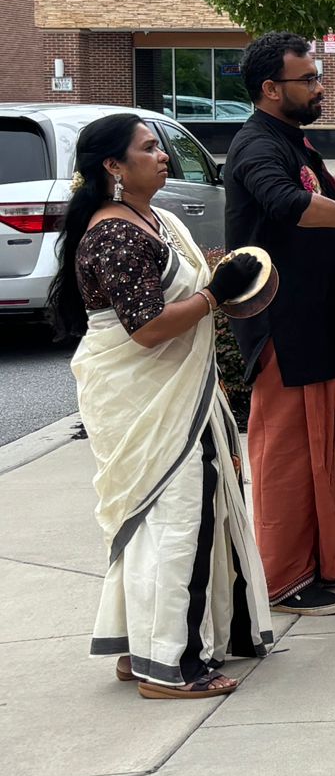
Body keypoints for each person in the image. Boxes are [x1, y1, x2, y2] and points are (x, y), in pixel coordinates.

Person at [57, 114, 276, 697]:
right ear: (113, 165)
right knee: (177, 522)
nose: (162, 156)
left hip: (180, 391)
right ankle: (170, 668)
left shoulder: (157, 219)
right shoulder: (115, 234)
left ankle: (142, 647)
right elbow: (148, 330)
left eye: (160, 146)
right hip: (142, 398)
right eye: (148, 148)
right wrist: (214, 295)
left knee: (171, 521)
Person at [225, 32, 335, 615]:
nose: (320, 88)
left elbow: (325, 209)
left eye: (318, 77)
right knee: (288, 451)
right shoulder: (256, 145)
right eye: (309, 80)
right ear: (271, 89)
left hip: (317, 316)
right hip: (280, 320)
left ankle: (334, 558)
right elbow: (287, 205)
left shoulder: (294, 142)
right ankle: (284, 579)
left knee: (330, 441)